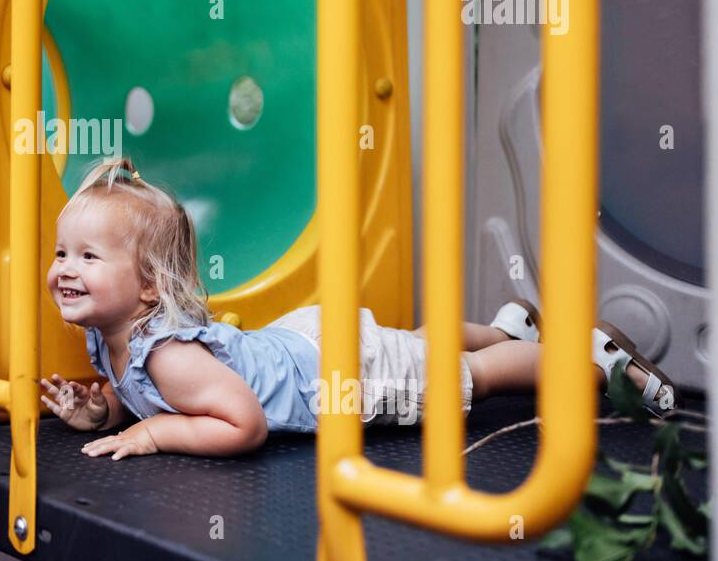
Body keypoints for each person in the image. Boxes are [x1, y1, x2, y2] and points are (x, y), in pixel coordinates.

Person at [40, 156, 675, 460]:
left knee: (464, 378)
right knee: (417, 346)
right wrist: (103, 411)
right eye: (62, 252)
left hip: (336, 380)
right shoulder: (113, 336)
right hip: (306, 347)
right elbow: (141, 391)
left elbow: (243, 425)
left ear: (149, 286)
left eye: (88, 258)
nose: (65, 268)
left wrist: (151, 433)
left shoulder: (173, 356)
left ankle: (590, 359)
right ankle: (506, 329)